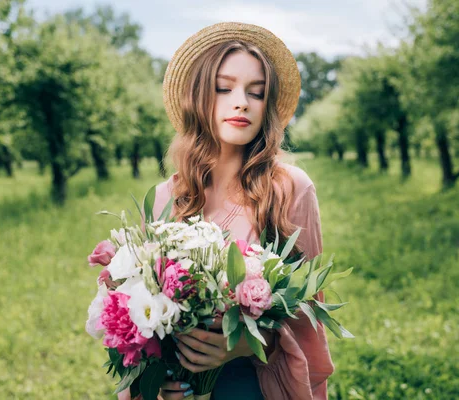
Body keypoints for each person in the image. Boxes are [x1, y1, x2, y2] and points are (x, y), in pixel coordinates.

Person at [119, 22, 335, 400]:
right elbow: (140, 314)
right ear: (200, 98)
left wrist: (246, 344)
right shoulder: (165, 197)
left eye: (257, 92)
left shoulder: (290, 189)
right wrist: (160, 383)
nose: (242, 102)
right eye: (224, 88)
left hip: (253, 385)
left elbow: (306, 314)